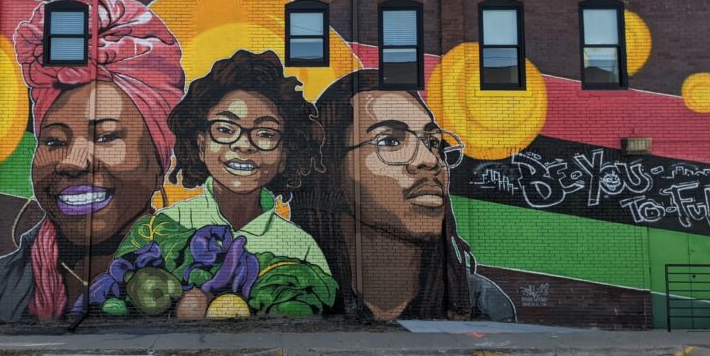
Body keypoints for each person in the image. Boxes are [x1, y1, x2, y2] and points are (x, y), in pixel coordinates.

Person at [0, 0, 185, 323]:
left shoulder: (203, 270)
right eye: (53, 141)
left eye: (106, 136)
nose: (71, 162)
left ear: (160, 160)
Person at [90, 50, 337, 318]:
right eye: (224, 129)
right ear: (200, 143)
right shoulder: (160, 228)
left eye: (266, 134)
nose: (243, 145)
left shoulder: (301, 246)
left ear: (285, 154)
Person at [293, 70, 515, 322]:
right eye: (389, 141)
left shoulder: (481, 304)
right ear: (331, 168)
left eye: (433, 142)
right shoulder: (295, 294)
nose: (430, 160)